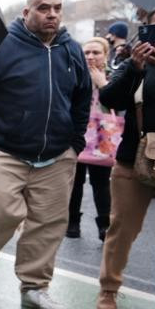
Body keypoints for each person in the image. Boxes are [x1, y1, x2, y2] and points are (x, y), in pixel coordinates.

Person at [0, 0, 91, 309]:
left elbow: (82, 98)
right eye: (43, 8)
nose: (52, 14)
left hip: (57, 155)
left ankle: (35, 286)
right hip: (3, 150)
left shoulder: (70, 50)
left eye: (57, 8)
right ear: (26, 13)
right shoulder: (0, 46)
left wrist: (75, 144)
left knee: (47, 224)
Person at [95, 3, 155, 309]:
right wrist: (133, 66)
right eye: (154, 26)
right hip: (133, 161)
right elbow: (110, 99)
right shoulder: (134, 62)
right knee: (121, 231)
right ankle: (108, 289)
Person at [67, 37, 114, 240]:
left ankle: (104, 225)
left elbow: (119, 104)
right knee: (74, 182)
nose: (91, 56)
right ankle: (72, 223)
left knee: (101, 183)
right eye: (87, 53)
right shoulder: (74, 73)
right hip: (76, 133)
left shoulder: (114, 76)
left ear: (105, 55)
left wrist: (102, 84)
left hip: (103, 135)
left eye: (96, 52)